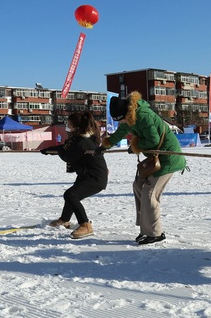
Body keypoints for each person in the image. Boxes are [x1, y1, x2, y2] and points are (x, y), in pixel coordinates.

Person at [101, 91, 187, 245]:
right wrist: (106, 145)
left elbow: (153, 140)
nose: (122, 122)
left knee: (150, 192)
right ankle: (146, 229)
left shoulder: (144, 116)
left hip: (168, 158)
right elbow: (122, 131)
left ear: (127, 112)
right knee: (138, 186)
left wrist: (135, 146)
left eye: (122, 119)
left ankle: (155, 233)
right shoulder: (130, 116)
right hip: (156, 158)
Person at [41, 111, 108, 239]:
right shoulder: (80, 139)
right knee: (71, 195)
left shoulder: (82, 140)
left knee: (71, 195)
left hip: (95, 178)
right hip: (87, 174)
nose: (67, 127)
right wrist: (49, 150)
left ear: (76, 127)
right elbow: (66, 149)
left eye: (69, 124)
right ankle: (64, 219)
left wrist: (57, 150)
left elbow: (68, 156)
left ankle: (85, 225)